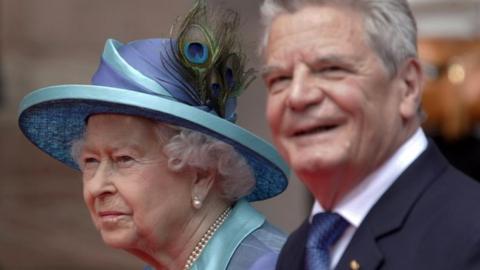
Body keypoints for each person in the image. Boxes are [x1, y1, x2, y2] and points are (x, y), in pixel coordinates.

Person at [18, 1, 289, 269]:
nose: (96, 187)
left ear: (201, 174)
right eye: (90, 161)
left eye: (124, 159)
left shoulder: (270, 264)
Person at [259, 0, 480, 269]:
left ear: (408, 86)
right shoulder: (298, 250)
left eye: (331, 69)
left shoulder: (469, 234)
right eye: (280, 79)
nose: (298, 96)